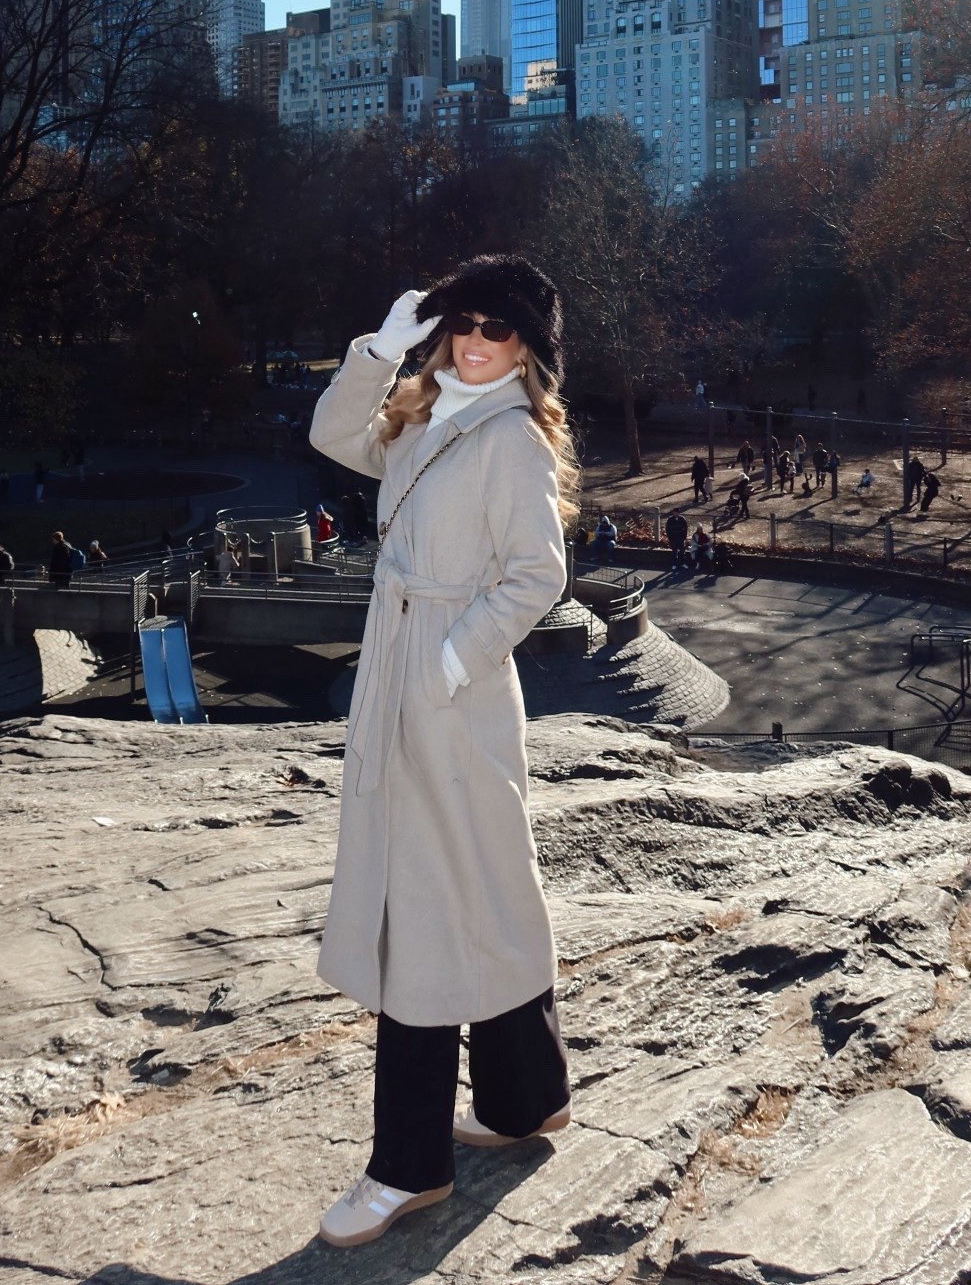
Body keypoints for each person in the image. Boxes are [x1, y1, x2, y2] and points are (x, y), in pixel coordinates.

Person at [308, 258, 575, 1247]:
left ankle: (406, 1165)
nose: (474, 342)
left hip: (448, 685)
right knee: (480, 887)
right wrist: (379, 350)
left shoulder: (509, 436)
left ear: (527, 348)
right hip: (408, 668)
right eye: (462, 322)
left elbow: (538, 575)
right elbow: (334, 435)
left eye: (497, 329)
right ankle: (524, 1099)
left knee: (421, 906)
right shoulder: (428, 413)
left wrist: (453, 660)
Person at [664, 508, 689, 575]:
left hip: (680, 538)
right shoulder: (670, 520)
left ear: (678, 513)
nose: (675, 514)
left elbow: (685, 528)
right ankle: (674, 564)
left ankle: (683, 563)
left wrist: (684, 537)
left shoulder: (682, 519)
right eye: (674, 512)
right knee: (674, 552)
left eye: (676, 512)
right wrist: (670, 537)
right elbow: (667, 529)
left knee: (682, 551)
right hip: (673, 538)